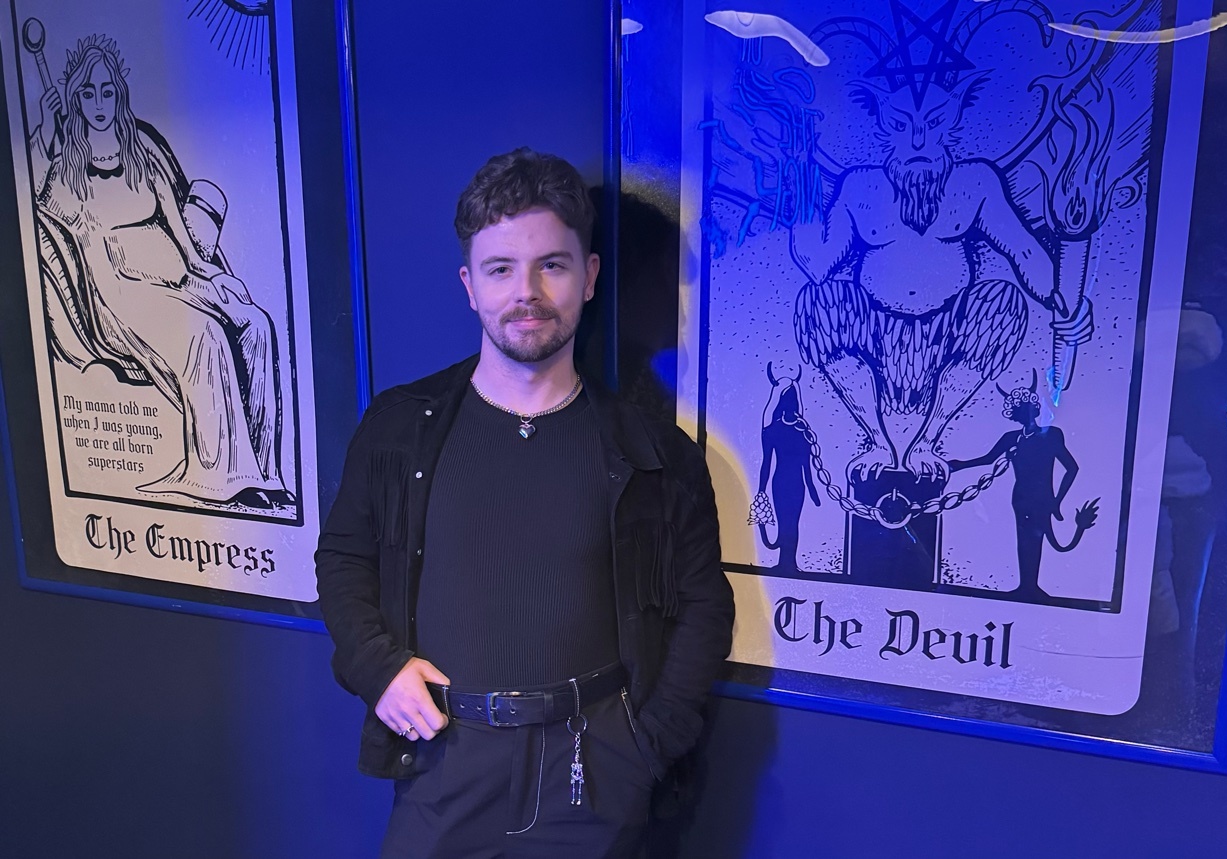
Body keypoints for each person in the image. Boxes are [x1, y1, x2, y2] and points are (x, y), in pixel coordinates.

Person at [315, 149, 734, 858]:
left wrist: (648, 746)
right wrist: (377, 667)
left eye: (552, 265)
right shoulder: (398, 428)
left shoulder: (657, 454)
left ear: (589, 277)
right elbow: (343, 559)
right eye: (500, 268)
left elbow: (704, 607)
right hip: (445, 762)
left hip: (593, 775)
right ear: (469, 285)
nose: (527, 291)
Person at [30, 34, 289, 508]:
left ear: (119, 93)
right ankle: (220, 477)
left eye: (107, 91)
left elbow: (182, 237)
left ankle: (264, 472)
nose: (99, 104)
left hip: (176, 276)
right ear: (76, 99)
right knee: (205, 333)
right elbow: (36, 218)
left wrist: (213, 277)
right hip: (119, 293)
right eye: (88, 93)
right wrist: (45, 133)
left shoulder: (141, 151)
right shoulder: (67, 169)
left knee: (256, 323)